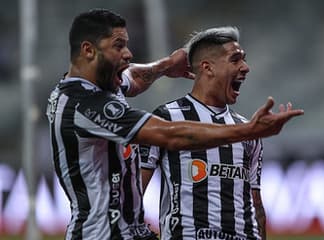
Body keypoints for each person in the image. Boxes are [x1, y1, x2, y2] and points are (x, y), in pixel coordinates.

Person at [46, 9, 303, 240]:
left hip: (130, 232)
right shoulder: (85, 104)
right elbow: (171, 136)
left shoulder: (101, 82)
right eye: (118, 46)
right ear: (89, 50)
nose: (128, 53)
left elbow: (133, 76)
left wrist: (167, 65)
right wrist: (249, 131)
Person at [140, 26, 270, 240]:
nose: (245, 67)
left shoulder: (246, 129)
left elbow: (256, 204)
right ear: (208, 67)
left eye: (244, 59)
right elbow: (134, 191)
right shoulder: (166, 118)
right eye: (235, 59)